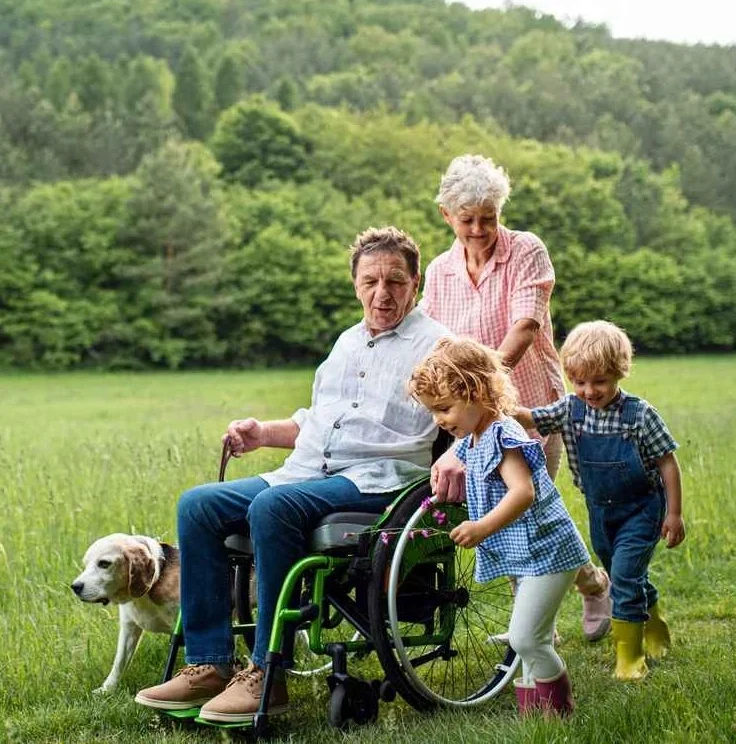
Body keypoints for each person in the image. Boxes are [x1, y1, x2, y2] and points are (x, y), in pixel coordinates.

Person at [134, 226, 449, 722]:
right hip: (308, 471)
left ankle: (269, 671)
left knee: (273, 507)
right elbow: (317, 421)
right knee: (198, 504)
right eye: (370, 281)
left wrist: (455, 453)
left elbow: (481, 409)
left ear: (417, 283)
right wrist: (262, 432)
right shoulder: (347, 342)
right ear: (355, 284)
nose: (381, 293)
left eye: (394, 281)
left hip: (377, 480)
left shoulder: (437, 345)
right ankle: (210, 664)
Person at [420, 153, 612, 641]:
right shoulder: (440, 271)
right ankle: (534, 621)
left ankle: (582, 591)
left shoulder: (527, 251)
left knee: (532, 508)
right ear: (447, 216)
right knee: (500, 512)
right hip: (473, 417)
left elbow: (525, 326)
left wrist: (485, 384)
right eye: (468, 220)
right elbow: (432, 341)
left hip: (529, 406)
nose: (480, 229)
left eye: (489, 218)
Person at [409, 336, 591, 716]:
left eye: (444, 408)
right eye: (433, 412)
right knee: (531, 639)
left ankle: (561, 710)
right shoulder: (474, 436)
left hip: (549, 550)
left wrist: (481, 528)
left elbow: (522, 492)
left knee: (527, 638)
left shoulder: (503, 434)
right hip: (527, 553)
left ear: (476, 392)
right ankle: (536, 717)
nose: (439, 420)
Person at [515, 320, 685, 680]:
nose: (589, 391)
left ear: (619, 373)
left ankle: (630, 658)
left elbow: (667, 462)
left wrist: (675, 514)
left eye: (599, 382)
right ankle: (654, 625)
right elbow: (532, 417)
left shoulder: (639, 415)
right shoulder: (569, 409)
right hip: (600, 512)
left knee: (623, 577)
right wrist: (493, 407)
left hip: (642, 508)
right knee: (629, 575)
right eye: (579, 382)